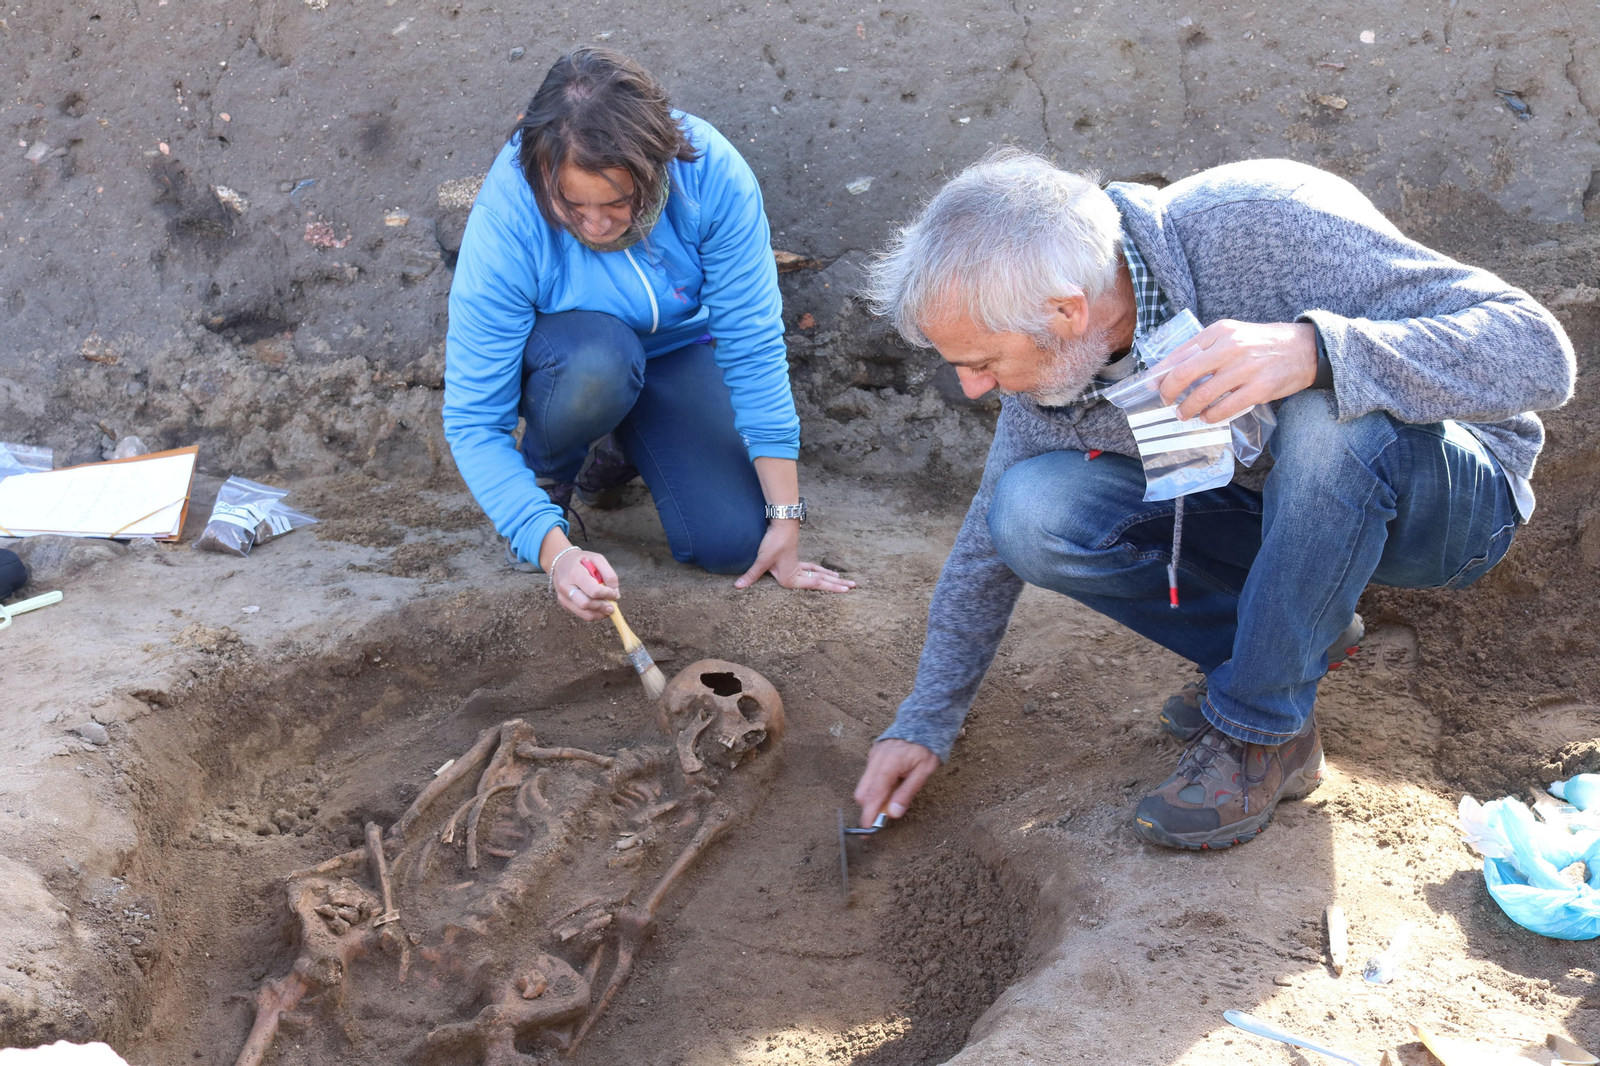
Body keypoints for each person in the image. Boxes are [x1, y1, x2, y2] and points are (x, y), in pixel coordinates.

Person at [854, 150, 1574, 849]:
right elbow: (987, 544)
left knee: (1325, 418)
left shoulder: (1263, 221)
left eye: (980, 363)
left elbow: (1541, 355)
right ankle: (1284, 644)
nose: (974, 387)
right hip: (1283, 518)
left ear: (1068, 312)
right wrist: (924, 722)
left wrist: (1316, 353)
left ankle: (1265, 731)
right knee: (1032, 511)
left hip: (1448, 511)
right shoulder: (1056, 373)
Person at [443, 48, 853, 621]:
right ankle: (552, 477)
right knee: (599, 364)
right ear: (543, 175)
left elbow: (752, 346)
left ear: (657, 166)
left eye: (617, 202)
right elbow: (472, 421)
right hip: (576, 361)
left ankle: (619, 448)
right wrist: (551, 550)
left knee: (737, 544)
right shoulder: (510, 212)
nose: (595, 225)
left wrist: (787, 518)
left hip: (679, 349)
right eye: (571, 204)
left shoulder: (710, 173)